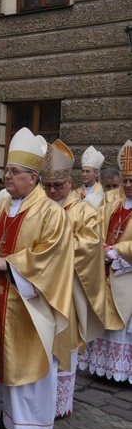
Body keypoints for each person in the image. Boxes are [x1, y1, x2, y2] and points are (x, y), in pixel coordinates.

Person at [0, 127, 73, 429]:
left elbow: (52, 257)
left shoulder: (51, 213)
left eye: (14, 171)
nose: (7, 176)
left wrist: (8, 265)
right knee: (1, 360)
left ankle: (23, 428)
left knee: (24, 364)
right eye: (7, 171)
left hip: (28, 306)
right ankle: (6, 414)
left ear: (32, 177)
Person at [41, 139, 112, 418]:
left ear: (69, 183)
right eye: (47, 185)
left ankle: (59, 404)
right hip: (38, 286)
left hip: (67, 287)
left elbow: (89, 245)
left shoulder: (83, 210)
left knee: (64, 340)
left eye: (57, 185)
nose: (52, 191)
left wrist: (53, 250)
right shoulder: (38, 208)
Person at [80, 140, 132, 385]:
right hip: (106, 270)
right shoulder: (110, 206)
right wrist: (100, 248)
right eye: (126, 181)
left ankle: (122, 372)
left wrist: (117, 252)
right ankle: (104, 367)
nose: (129, 185)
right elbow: (95, 231)